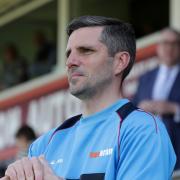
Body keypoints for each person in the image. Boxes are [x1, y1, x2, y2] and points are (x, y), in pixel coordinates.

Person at [0, 16, 176, 180]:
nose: (70, 62)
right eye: (69, 53)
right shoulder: (43, 145)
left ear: (120, 62)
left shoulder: (142, 131)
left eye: (86, 51)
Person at [133, 28, 180, 169]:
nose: (169, 48)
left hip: (176, 154)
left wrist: (173, 108)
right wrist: (140, 108)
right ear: (158, 47)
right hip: (147, 155)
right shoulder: (145, 77)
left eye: (175, 44)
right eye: (165, 43)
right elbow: (133, 110)